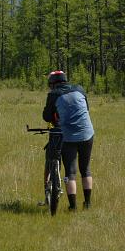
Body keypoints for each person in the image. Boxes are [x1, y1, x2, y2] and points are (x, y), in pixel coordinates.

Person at [42, 70, 95, 211]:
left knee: (70, 172)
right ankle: (88, 203)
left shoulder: (53, 95)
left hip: (68, 136)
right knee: (85, 169)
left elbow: (47, 117)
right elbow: (87, 109)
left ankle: (73, 206)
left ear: (52, 84)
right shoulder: (79, 89)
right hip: (87, 133)